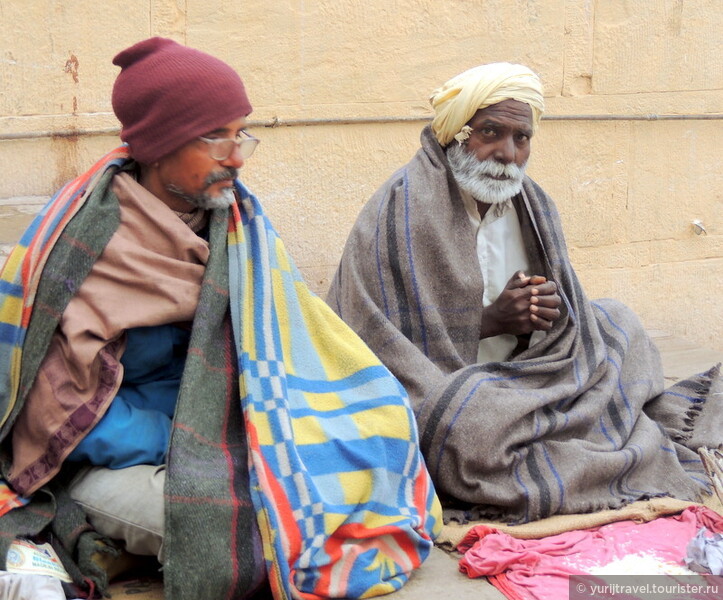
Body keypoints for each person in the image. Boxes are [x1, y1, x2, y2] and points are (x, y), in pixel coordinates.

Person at [0, 38, 440, 600]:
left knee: (364, 453)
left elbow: (286, 339)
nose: (236, 155)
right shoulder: (85, 247)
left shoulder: (234, 226)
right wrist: (194, 439)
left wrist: (265, 433)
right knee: (237, 527)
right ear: (158, 147)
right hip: (118, 458)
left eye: (242, 135)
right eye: (215, 138)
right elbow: (62, 416)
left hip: (221, 439)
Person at [327, 62, 722, 524]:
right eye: (490, 132)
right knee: (472, 431)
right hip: (452, 385)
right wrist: (491, 320)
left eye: (521, 138)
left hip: (527, 375)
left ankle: (563, 432)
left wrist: (553, 317)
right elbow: (372, 339)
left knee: (619, 323)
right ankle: (577, 441)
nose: (507, 153)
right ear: (455, 135)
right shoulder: (401, 208)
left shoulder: (531, 202)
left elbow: (571, 315)